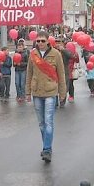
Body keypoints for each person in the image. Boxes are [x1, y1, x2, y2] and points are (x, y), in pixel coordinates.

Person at [26, 30, 67, 163]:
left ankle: (47, 149)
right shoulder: (33, 54)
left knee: (49, 121)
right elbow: (29, 74)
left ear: (48, 41)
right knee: (41, 123)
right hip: (37, 92)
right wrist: (27, 92)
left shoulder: (56, 54)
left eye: (43, 41)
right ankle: (46, 146)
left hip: (50, 91)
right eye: (38, 41)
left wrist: (62, 93)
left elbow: (61, 74)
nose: (40, 43)